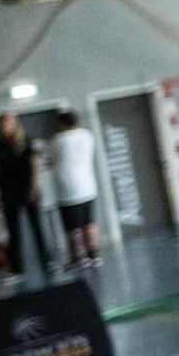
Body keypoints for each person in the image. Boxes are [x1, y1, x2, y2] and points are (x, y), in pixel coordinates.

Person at [0, 112, 51, 284]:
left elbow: (35, 167)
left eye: (7, 123)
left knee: (37, 227)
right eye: (1, 124)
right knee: (13, 232)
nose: (4, 127)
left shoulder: (27, 142)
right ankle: (16, 269)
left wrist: (33, 189)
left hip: (28, 190)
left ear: (15, 123)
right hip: (8, 192)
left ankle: (47, 263)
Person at [48, 111, 102, 269]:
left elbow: (50, 159)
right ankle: (94, 254)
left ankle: (78, 257)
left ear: (60, 124)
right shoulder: (87, 136)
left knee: (72, 227)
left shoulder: (56, 140)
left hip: (67, 189)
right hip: (88, 186)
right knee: (89, 222)